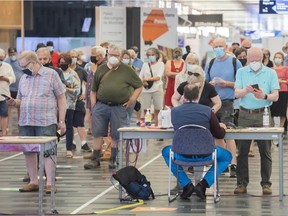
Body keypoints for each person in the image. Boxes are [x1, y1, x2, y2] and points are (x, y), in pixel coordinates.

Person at [7, 50, 66, 193]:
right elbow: (22, 99)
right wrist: (14, 102)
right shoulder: (24, 78)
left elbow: (61, 98)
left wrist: (62, 120)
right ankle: (33, 181)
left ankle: (50, 183)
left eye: (25, 66)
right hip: (26, 120)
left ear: (34, 62)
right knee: (28, 151)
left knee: (48, 152)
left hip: (45, 120)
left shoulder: (51, 75)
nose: (23, 70)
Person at [162, 84, 232, 200]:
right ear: (198, 96)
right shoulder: (208, 111)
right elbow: (219, 134)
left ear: (183, 96)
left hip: (182, 154)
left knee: (166, 152)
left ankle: (186, 184)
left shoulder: (175, 112)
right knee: (227, 156)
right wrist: (222, 127)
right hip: (206, 154)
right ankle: (203, 184)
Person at [84, 44, 142, 170]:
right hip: (101, 105)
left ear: (120, 57)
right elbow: (93, 90)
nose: (113, 57)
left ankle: (113, 159)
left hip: (119, 107)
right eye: (111, 55)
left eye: (116, 55)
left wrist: (132, 99)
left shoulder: (127, 70)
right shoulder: (101, 69)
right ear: (107, 55)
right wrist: (94, 106)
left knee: (116, 134)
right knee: (97, 133)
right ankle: (95, 159)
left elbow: (139, 85)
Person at [234, 47, 279, 195]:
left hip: (263, 114)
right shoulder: (241, 72)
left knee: (265, 151)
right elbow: (236, 93)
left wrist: (264, 96)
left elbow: (275, 96)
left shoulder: (271, 73)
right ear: (247, 59)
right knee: (242, 152)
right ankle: (241, 183)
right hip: (244, 114)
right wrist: (245, 91)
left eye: (257, 60)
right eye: (251, 60)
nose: (254, 62)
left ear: (262, 59)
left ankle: (266, 183)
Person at [205, 37, 242, 177]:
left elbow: (241, 82)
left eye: (221, 46)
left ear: (226, 47)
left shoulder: (234, 62)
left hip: (228, 101)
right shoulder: (211, 63)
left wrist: (227, 84)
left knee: (229, 132)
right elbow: (206, 82)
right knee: (216, 133)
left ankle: (233, 163)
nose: (218, 48)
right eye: (216, 46)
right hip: (213, 102)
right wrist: (211, 85)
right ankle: (223, 163)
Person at [68, 49, 91, 152]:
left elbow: (90, 83)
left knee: (80, 122)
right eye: (71, 57)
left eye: (75, 57)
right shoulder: (62, 70)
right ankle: (71, 143)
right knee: (68, 123)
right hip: (66, 101)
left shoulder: (81, 70)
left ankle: (83, 143)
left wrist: (86, 94)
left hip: (78, 100)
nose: (73, 59)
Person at [58, 53, 80, 158]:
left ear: (69, 63)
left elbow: (78, 91)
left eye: (64, 63)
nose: (62, 64)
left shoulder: (73, 74)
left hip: (70, 104)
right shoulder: (56, 73)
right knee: (55, 125)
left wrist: (66, 88)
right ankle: (52, 146)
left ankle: (69, 148)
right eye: (61, 62)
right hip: (57, 105)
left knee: (69, 126)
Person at [139, 47, 165, 127]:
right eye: (149, 55)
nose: (151, 56)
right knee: (146, 110)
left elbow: (158, 77)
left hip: (157, 89)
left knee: (158, 109)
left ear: (157, 55)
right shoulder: (145, 65)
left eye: (153, 54)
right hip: (146, 90)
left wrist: (146, 79)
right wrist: (143, 82)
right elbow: (140, 77)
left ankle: (157, 127)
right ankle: (147, 126)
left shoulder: (161, 64)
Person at [0, 48, 16, 136]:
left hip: (4, 94)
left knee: (4, 114)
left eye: (1, 59)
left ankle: (4, 133)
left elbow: (13, 79)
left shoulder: (7, 66)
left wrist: (5, 78)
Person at [270, 52, 288, 128]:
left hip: (283, 91)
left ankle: (281, 128)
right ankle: (272, 127)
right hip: (273, 91)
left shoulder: (286, 69)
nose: (278, 59)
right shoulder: (270, 69)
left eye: (279, 57)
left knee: (282, 111)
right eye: (276, 57)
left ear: (282, 59)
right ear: (273, 59)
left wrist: (281, 81)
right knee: (272, 111)